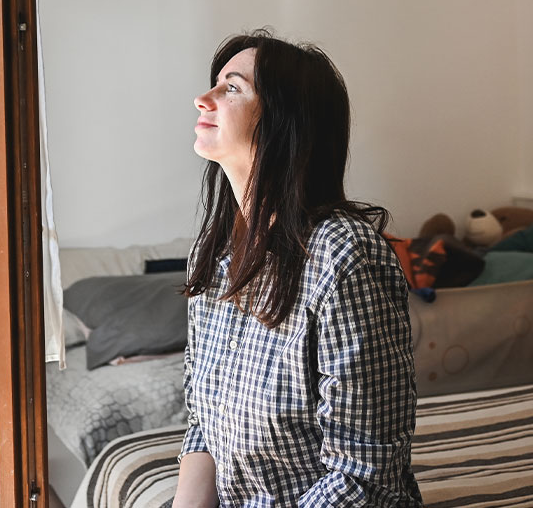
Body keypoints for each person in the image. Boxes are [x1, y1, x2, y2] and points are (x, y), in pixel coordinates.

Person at [171, 29, 423, 507]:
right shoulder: (215, 250)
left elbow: (364, 477)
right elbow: (205, 422)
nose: (202, 99)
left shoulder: (343, 255)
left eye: (232, 88)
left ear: (283, 122)